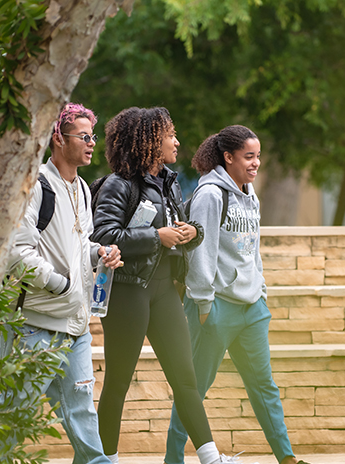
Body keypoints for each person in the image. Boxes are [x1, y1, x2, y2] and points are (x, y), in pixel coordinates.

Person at [90, 107, 239, 464]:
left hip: (164, 291)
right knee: (118, 384)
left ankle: (210, 458)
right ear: (151, 141)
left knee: (185, 379)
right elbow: (104, 236)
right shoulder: (118, 184)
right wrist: (158, 236)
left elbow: (181, 226)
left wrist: (192, 232)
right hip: (128, 291)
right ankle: (102, 460)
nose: (177, 141)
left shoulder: (169, 182)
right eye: (170, 134)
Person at [164, 125, 309, 464]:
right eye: (249, 157)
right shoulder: (211, 195)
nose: (256, 163)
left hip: (251, 308)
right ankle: (173, 459)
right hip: (215, 308)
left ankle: (286, 458)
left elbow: (251, 249)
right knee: (194, 390)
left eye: (258, 156)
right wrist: (203, 303)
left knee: (264, 387)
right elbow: (201, 249)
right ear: (228, 157)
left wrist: (261, 290)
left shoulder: (249, 193)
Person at [0, 103, 122, 464]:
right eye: (83, 137)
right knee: (13, 421)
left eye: (92, 136)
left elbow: (77, 245)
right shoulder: (34, 185)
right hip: (33, 327)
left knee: (84, 416)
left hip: (76, 326)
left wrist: (99, 253)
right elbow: (16, 254)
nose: (91, 143)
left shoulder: (83, 188)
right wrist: (63, 286)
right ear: (57, 137)